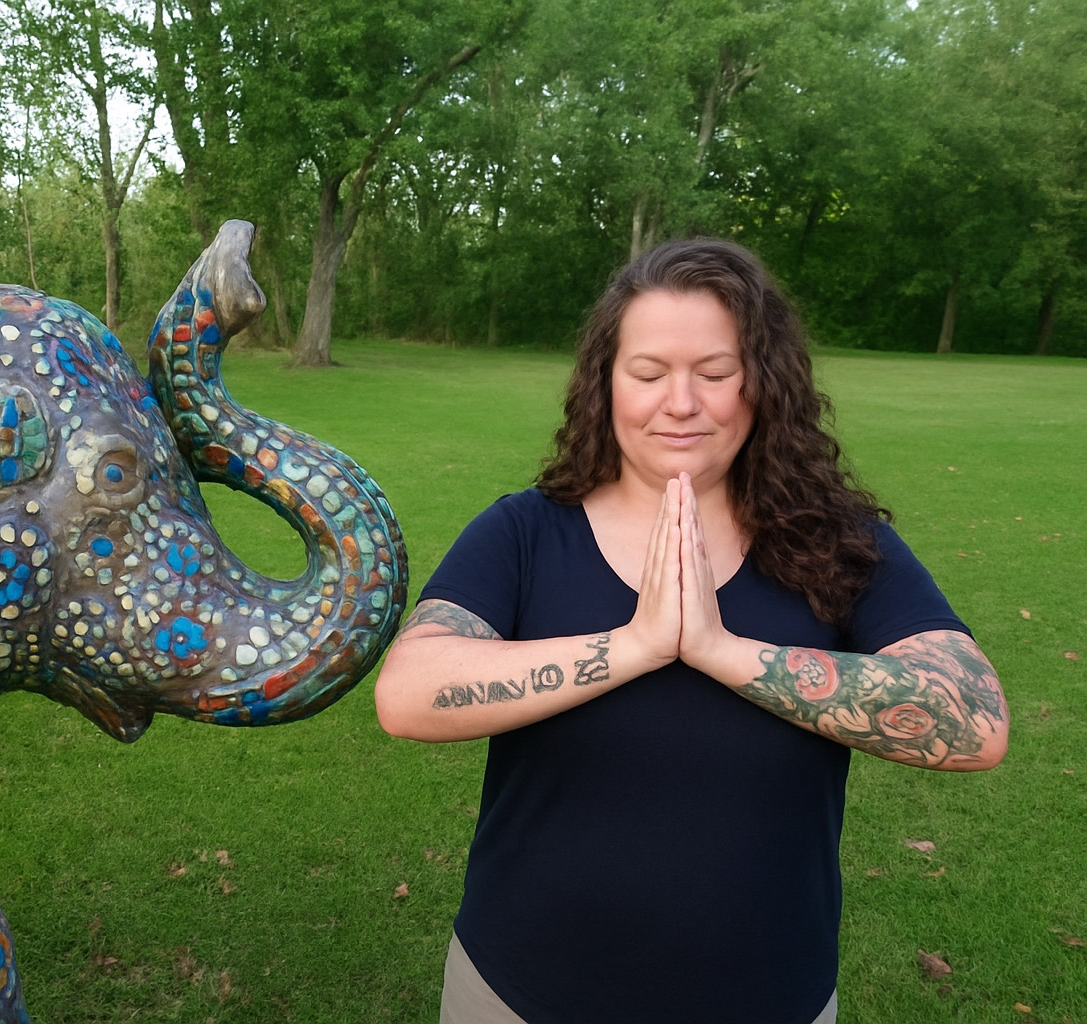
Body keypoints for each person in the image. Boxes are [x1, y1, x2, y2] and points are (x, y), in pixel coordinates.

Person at [373, 238, 1009, 1024]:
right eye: (647, 374)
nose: (681, 402)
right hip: (518, 993)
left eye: (715, 373)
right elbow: (406, 694)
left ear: (763, 384)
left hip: (771, 997)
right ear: (606, 384)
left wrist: (722, 651)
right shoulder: (526, 533)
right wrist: (634, 646)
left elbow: (973, 721)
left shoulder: (836, 542)